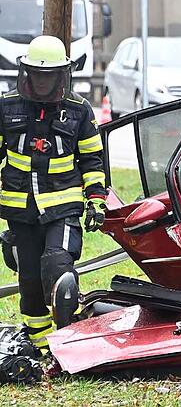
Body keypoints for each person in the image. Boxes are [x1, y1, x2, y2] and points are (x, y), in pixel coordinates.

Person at [0, 35, 107, 351]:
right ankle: (42, 348)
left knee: (57, 264)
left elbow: (92, 159)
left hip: (64, 206)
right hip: (20, 209)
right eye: (38, 74)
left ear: (62, 74)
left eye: (50, 75)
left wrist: (96, 200)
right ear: (27, 73)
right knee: (30, 281)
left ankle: (66, 339)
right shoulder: (6, 107)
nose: (44, 81)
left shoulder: (79, 111)